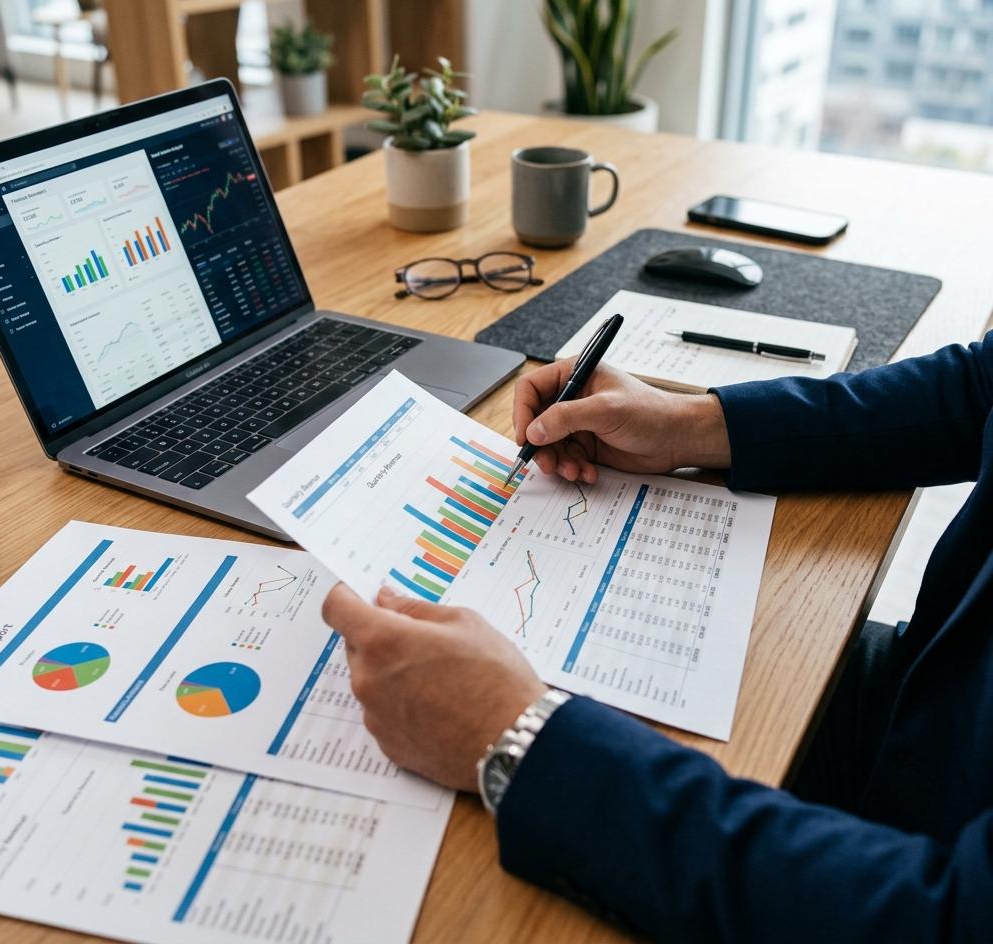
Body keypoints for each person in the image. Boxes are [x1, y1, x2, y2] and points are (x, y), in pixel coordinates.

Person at [322, 335, 993, 941]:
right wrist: (692, 426)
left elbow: (949, 919)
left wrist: (518, 739)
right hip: (941, 689)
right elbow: (979, 386)